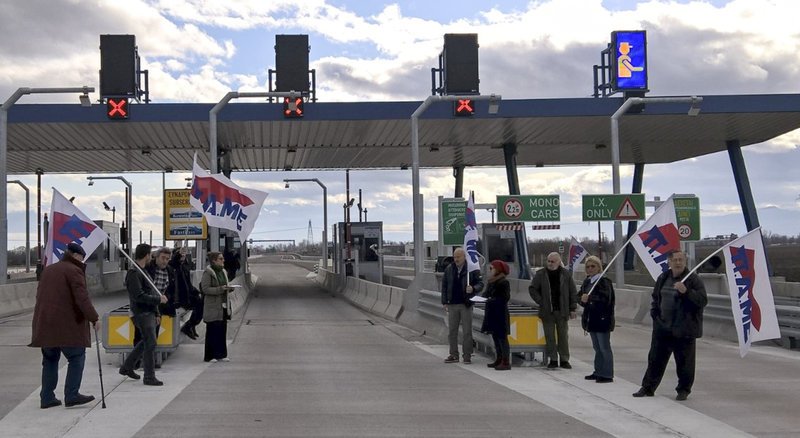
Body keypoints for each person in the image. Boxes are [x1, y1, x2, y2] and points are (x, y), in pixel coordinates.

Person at [30, 243, 99, 409]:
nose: (83, 262)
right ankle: (72, 394)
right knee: (76, 357)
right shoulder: (74, 271)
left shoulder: (49, 270)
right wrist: (94, 318)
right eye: (82, 258)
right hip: (67, 326)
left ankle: (47, 397)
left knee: (50, 360)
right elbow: (82, 299)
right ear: (76, 256)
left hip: (45, 325)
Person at [633, 250, 707, 401]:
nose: (678, 263)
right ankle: (648, 387)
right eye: (675, 260)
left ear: (685, 262)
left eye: (681, 260)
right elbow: (655, 298)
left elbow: (702, 301)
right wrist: (655, 315)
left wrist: (686, 292)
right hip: (663, 327)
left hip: (684, 329)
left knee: (685, 363)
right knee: (655, 360)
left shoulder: (693, 280)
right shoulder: (663, 278)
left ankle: (683, 390)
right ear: (669, 262)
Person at [119, 243, 168, 386]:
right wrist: (158, 300)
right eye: (150, 255)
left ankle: (127, 366)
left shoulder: (143, 271)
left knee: (147, 341)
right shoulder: (134, 273)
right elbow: (138, 296)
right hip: (141, 313)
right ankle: (149, 376)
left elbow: (151, 291)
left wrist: (157, 311)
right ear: (146, 255)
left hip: (149, 312)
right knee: (150, 343)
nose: (151, 257)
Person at [529, 252, 578, 369]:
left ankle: (564, 359)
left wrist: (573, 308)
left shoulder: (566, 274)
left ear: (558, 262)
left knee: (563, 336)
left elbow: (572, 292)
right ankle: (553, 359)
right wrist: (541, 301)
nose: (550, 263)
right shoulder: (540, 274)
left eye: (553, 261)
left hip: (562, 311)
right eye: (549, 261)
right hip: (547, 311)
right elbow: (532, 289)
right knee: (550, 336)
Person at [441, 248, 484, 364]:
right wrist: (444, 301)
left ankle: (467, 355)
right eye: (455, 257)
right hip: (452, 303)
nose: (456, 259)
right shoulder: (449, 269)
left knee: (467, 331)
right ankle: (453, 354)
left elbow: (481, 283)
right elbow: (444, 286)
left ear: (464, 257)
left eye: (458, 257)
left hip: (466, 304)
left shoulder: (471, 269)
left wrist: (473, 288)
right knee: (452, 331)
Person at [579, 255, 616, 383]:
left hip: (602, 319)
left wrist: (590, 299)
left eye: (593, 266)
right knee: (597, 347)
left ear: (598, 267)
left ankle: (607, 374)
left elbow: (606, 299)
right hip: (591, 319)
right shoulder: (587, 282)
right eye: (588, 267)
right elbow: (580, 298)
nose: (590, 269)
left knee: (604, 347)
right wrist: (582, 300)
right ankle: (598, 371)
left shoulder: (604, 282)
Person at [202, 251, 234, 362]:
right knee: (212, 330)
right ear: (214, 260)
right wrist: (221, 289)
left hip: (223, 305)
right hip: (213, 306)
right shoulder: (208, 272)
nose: (223, 260)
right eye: (220, 259)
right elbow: (205, 289)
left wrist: (229, 288)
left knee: (222, 329)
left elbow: (225, 284)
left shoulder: (223, 272)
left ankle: (221, 354)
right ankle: (210, 355)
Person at [480, 260, 512, 371]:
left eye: (491, 268)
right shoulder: (491, 282)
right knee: (495, 337)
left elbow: (505, 298)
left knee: (502, 337)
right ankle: (498, 358)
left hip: (500, 313)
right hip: (492, 313)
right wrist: (484, 297)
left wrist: (491, 300)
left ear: (497, 270)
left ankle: (506, 361)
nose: (490, 271)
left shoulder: (503, 282)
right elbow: (485, 294)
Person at [173, 248, 203, 340]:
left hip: (188, 293)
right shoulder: (175, 266)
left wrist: (195, 291)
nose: (183, 257)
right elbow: (174, 261)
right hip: (181, 296)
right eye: (181, 255)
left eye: (184, 255)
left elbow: (188, 283)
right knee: (197, 306)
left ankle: (192, 325)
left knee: (201, 305)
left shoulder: (185, 266)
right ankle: (189, 326)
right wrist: (178, 254)